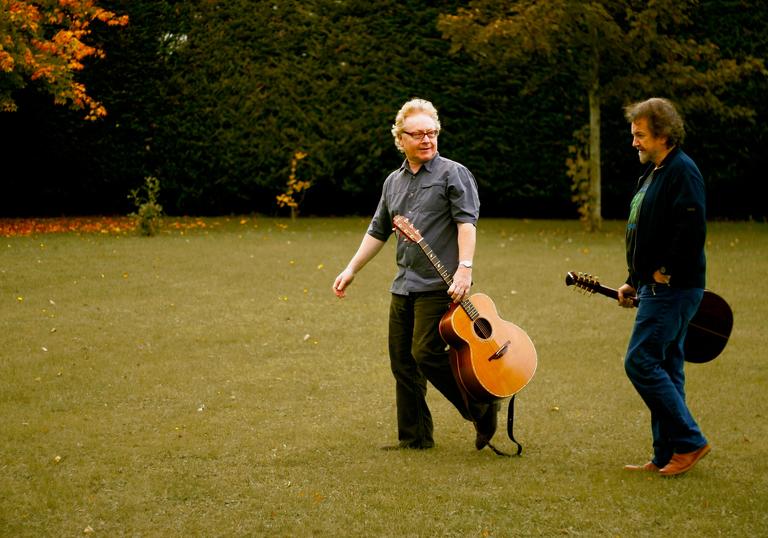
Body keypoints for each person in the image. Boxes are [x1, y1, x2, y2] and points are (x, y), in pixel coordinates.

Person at [331, 98, 499, 451]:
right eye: (418, 134)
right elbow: (378, 230)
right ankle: (415, 437)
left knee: (426, 351)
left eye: (432, 132)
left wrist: (465, 269)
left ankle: (480, 407)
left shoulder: (454, 173)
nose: (427, 139)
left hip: (441, 284)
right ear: (400, 138)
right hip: (404, 285)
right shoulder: (393, 182)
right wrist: (351, 269)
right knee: (403, 362)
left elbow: (466, 223)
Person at [618, 97, 710, 476]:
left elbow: (691, 228)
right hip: (654, 288)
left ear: (664, 135)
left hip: (674, 289)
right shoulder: (656, 172)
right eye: (634, 134)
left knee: (640, 361)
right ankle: (666, 454)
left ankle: (690, 441)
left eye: (640, 135)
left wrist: (666, 270)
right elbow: (646, 233)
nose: (634, 142)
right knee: (667, 367)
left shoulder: (682, 172)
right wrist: (633, 279)